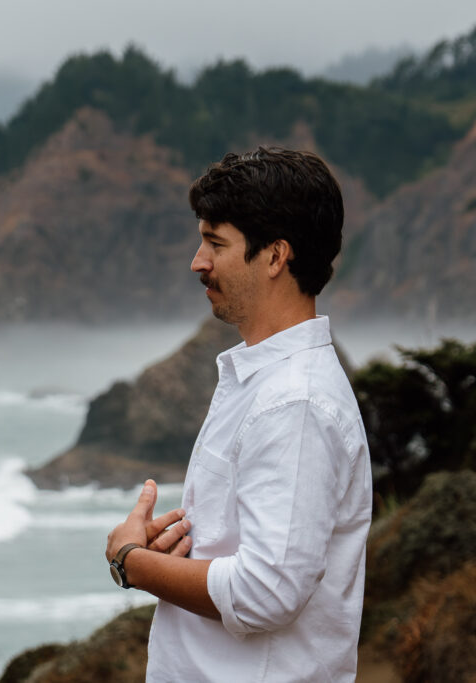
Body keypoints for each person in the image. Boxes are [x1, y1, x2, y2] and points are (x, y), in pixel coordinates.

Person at [105, 148, 372, 682]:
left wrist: (132, 561)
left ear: (275, 256)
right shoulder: (267, 382)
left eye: (215, 242)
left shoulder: (293, 404)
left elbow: (266, 594)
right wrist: (184, 554)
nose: (197, 261)